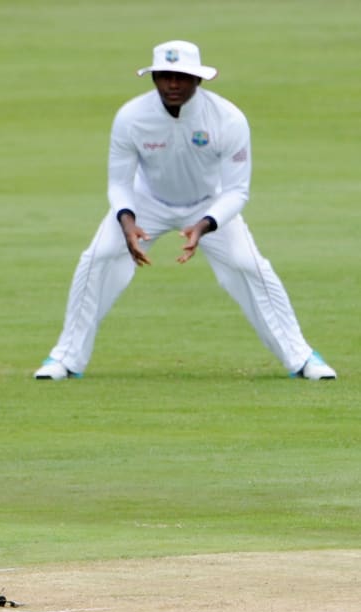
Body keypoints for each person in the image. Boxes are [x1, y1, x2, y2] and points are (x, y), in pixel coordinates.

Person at [33, 40, 336, 381]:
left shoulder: (228, 119)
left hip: (209, 204)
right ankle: (65, 358)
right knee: (98, 256)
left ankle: (302, 358)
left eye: (181, 77)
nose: (172, 84)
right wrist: (127, 222)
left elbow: (237, 190)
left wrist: (204, 225)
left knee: (248, 264)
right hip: (146, 202)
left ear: (199, 79)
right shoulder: (131, 117)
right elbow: (119, 184)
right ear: (153, 78)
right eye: (164, 76)